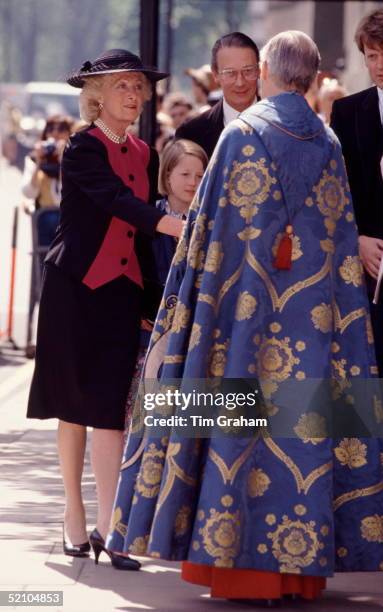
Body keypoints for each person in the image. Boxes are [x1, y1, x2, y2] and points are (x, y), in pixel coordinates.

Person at [107, 31, 383, 602]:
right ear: (308, 77)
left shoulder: (242, 134)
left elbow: (206, 234)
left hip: (241, 320)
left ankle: (233, 566)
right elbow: (337, 240)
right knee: (300, 433)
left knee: (238, 427)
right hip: (312, 327)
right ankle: (298, 575)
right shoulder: (328, 142)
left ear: (268, 71)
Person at [26, 49, 183, 569]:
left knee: (111, 411)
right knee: (72, 407)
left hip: (120, 292)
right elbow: (115, 201)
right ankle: (74, 518)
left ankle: (111, 529)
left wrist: (150, 297)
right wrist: (170, 225)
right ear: (97, 95)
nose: (133, 95)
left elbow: (137, 233)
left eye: (138, 86)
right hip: (75, 289)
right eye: (122, 86)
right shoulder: (80, 149)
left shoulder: (145, 151)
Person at [331, 8, 383, 375]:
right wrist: (358, 238)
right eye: (373, 55)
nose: (379, 64)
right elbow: (337, 192)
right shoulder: (347, 112)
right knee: (367, 369)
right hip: (367, 265)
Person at [175, 32, 260, 158]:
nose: (240, 82)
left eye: (248, 71)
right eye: (230, 73)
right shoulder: (191, 134)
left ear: (259, 70)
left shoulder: (281, 128)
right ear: (215, 75)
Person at [154, 139, 208, 285]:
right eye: (185, 174)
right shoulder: (151, 213)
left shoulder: (210, 218)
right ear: (167, 176)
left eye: (200, 176)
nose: (192, 182)